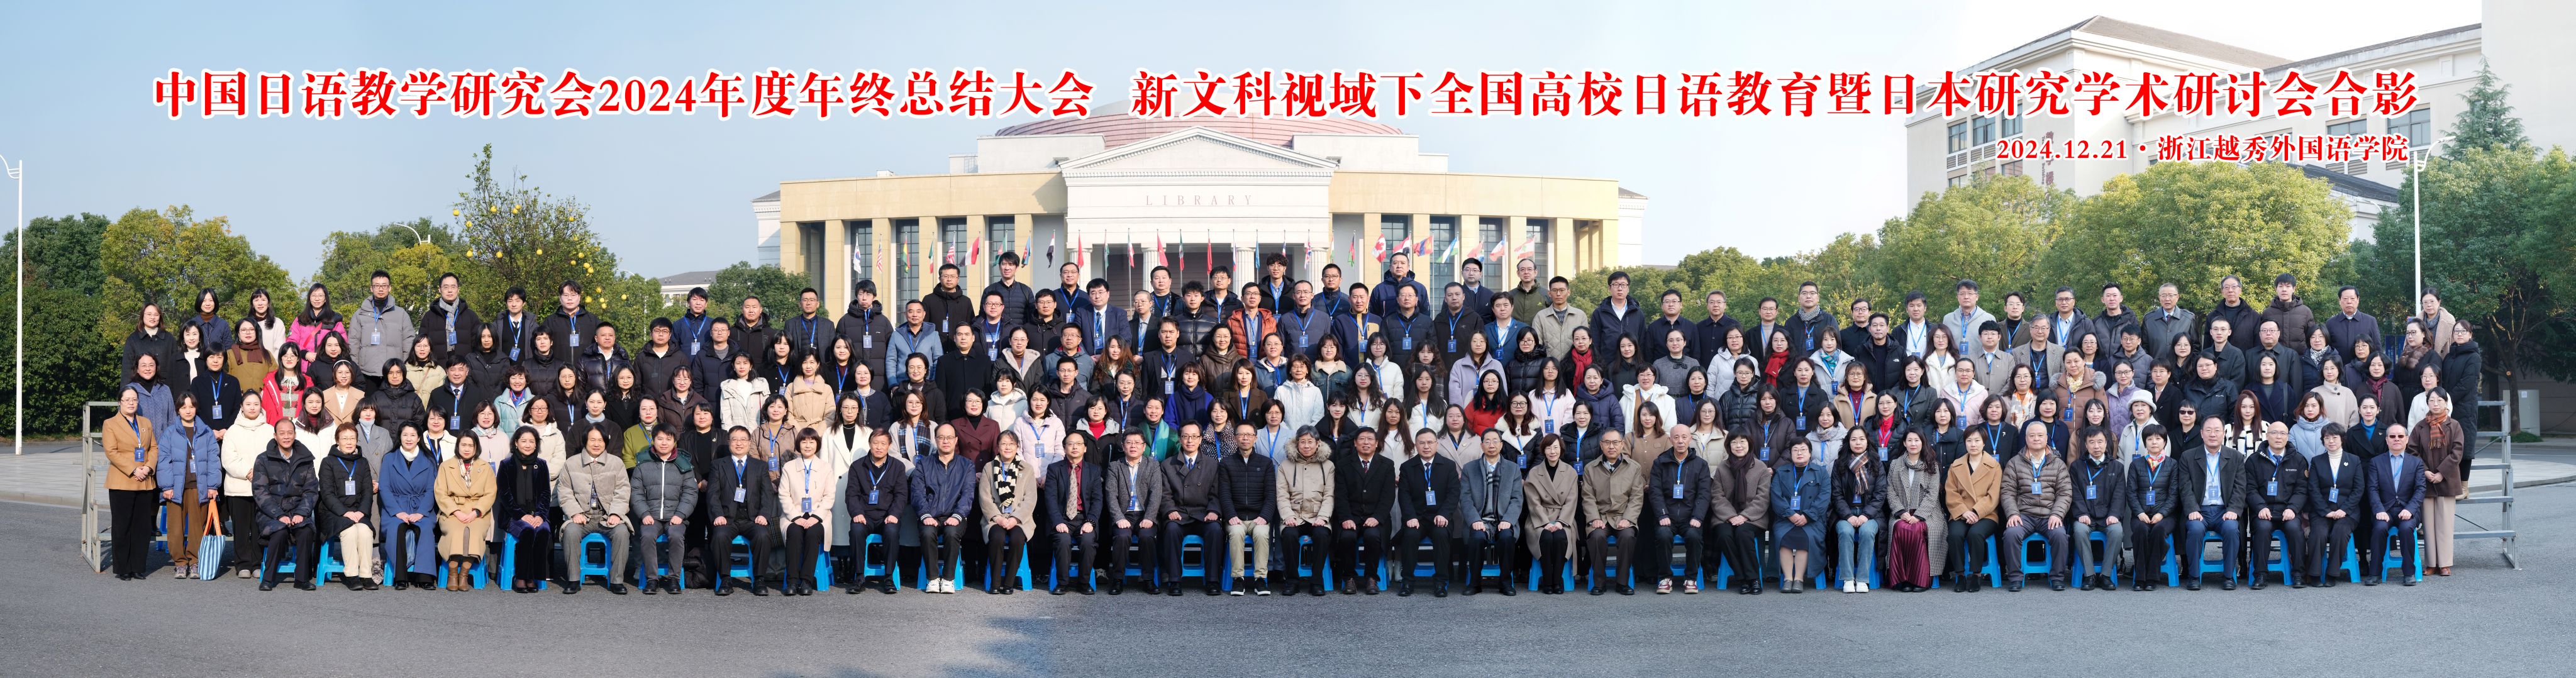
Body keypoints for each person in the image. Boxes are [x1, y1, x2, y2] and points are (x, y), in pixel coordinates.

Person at [553, 427, 632, 594]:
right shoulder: (571, 463)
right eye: (593, 440)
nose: (597, 444)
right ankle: (574, 579)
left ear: (606, 442)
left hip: (607, 516)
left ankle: (617, 580)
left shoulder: (616, 463)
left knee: (622, 532)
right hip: (582, 516)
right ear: (585, 442)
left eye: (601, 441)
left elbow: (623, 491)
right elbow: (564, 491)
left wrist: (616, 513)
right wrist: (575, 512)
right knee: (571, 532)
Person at [154, 394, 221, 579]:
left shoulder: (206, 432)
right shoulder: (170, 433)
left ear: (196, 408)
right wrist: (166, 486)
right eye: (184, 407)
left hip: (200, 487)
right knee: (175, 528)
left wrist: (213, 485)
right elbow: (163, 461)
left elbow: (214, 460)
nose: (188, 411)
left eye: (191, 407)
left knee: (197, 527)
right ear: (178, 410)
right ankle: (180, 563)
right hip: (176, 488)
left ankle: (195, 561)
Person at [1157, 424, 1225, 596]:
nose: (1190, 440)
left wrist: (1214, 511)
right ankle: (1174, 581)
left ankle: (1212, 580)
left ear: (1201, 439)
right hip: (1179, 513)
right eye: (1186, 436)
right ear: (1180, 439)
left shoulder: (1212, 464)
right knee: (1171, 529)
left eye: (1194, 436)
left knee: (1215, 530)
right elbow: (1164, 494)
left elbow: (1217, 493)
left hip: (1203, 514)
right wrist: (1170, 510)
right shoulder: (1167, 464)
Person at [253, 421, 321, 591]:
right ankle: (268, 579)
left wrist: (302, 513)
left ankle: (302, 579)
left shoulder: (305, 459)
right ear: (275, 436)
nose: (286, 437)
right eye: (282, 433)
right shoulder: (263, 459)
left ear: (295, 435)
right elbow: (260, 492)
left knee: (306, 531)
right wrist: (279, 515)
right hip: (271, 513)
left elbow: (311, 490)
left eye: (290, 433)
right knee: (279, 531)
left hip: (297, 510)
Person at [1333, 425, 1398, 596]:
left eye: (1370, 439)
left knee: (1373, 536)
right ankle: (1349, 577)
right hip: (1351, 516)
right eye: (1362, 439)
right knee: (1347, 537)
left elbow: (1388, 496)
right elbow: (1340, 495)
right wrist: (1346, 517)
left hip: (1376, 517)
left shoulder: (1386, 465)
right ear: (1355, 443)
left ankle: (1371, 577)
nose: (1366, 443)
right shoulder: (1344, 465)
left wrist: (1377, 517)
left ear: (1377, 443)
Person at [631, 428, 697, 595]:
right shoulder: (643, 464)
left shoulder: (684, 464)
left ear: (674, 442)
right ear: (653, 440)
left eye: (668, 439)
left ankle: (674, 578)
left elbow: (691, 492)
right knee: (647, 536)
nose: (664, 443)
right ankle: (652, 579)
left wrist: (681, 514)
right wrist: (644, 513)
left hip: (675, 517)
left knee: (676, 536)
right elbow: (636, 492)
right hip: (651, 516)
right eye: (660, 439)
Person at [1576, 430, 1643, 595]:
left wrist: (1628, 519)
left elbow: (1636, 497)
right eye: (1607, 443)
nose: (1611, 447)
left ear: (1622, 444)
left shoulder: (1633, 467)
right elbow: (1588, 497)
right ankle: (1599, 583)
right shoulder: (1591, 468)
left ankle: (1622, 583)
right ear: (1601, 445)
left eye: (1615, 442)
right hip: (1601, 517)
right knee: (1596, 536)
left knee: (1628, 536)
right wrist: (1594, 518)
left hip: (1623, 516)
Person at [2245, 421, 2309, 589]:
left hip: (2288, 510)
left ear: (2288, 437)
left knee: (2295, 530)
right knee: (2263, 529)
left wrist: (2293, 508)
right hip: (2263, 511)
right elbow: (2250, 489)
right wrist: (2260, 507)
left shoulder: (2298, 460)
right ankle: (2260, 574)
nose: (2279, 437)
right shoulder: (2254, 460)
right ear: (2267, 436)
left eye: (2283, 433)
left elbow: (2302, 490)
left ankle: (2299, 574)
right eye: (2274, 433)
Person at [843, 429, 909, 594]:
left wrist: (894, 514)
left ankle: (888, 577)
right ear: (870, 444)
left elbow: (901, 495)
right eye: (875, 443)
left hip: (887, 516)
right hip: (865, 516)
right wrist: (857, 513)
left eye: (883, 444)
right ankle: (859, 577)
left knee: (892, 532)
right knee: (856, 531)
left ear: (889, 446)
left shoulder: (898, 467)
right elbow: (852, 494)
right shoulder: (857, 466)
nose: (879, 447)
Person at [1459, 428, 1524, 596]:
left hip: (1503, 520)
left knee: (1507, 538)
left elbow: (1517, 499)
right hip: (1480, 520)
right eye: (1487, 441)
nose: (1492, 445)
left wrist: (1508, 520)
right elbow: (1465, 499)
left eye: (1496, 441)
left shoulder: (1513, 469)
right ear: (1482, 446)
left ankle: (1505, 583)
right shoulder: (1469, 469)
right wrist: (1475, 520)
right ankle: (1475, 583)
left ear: (1501, 445)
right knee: (1477, 538)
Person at [377, 423, 441, 589]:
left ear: (419, 438)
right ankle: (401, 577)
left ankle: (425, 577)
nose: (409, 439)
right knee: (397, 528)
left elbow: (431, 489)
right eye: (405, 435)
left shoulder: (428, 459)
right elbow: (384, 488)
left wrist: (421, 512)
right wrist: (397, 512)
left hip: (421, 506)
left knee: (425, 528)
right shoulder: (390, 458)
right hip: (396, 507)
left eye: (413, 435)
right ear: (400, 437)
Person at [1880, 430, 1946, 592]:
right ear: (1904, 443)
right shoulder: (1896, 464)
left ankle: (1920, 579)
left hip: (1928, 513)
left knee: (1917, 529)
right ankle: (1902, 579)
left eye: (1917, 440)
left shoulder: (1931, 465)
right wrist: (1901, 512)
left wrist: (1919, 516)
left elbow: (1932, 494)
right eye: (1909, 440)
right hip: (1902, 512)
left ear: (1923, 443)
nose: (1913, 444)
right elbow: (1890, 490)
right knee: (1900, 527)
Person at [1647, 425, 1709, 594]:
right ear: (1670, 440)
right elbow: (1655, 491)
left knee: (1694, 536)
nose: (1680, 441)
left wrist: (1697, 517)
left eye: (1684, 437)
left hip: (1691, 517)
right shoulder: (1660, 463)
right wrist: (1662, 514)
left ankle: (1691, 578)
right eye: (1676, 437)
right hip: (1667, 516)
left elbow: (1704, 494)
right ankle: (1665, 577)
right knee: (1663, 536)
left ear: (1690, 439)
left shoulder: (1701, 465)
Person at [1276, 428, 1338, 596]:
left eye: (1310, 442)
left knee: (1322, 535)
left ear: (1318, 444)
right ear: (1297, 444)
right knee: (1289, 535)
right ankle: (1292, 581)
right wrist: (1288, 516)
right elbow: (1282, 495)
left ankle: (1317, 581)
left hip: (1318, 516)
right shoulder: (1285, 465)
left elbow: (1330, 495)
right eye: (1302, 442)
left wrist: (1323, 517)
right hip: (1294, 516)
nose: (1306, 446)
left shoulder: (1328, 466)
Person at [2065, 426, 2128, 591]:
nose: (2096, 446)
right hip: (2086, 516)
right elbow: (2075, 494)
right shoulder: (2077, 467)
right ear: (2086, 445)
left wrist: (2114, 514)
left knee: (2117, 531)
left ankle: (2106, 575)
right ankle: (2089, 575)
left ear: (2106, 443)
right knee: (2080, 531)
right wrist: (2081, 514)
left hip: (2108, 517)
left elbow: (2120, 495)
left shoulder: (2116, 467)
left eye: (2100, 442)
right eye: (2091, 442)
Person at [1104, 430, 1167, 594]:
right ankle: (1118, 579)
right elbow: (1111, 495)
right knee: (1122, 536)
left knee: (1147, 537)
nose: (1133, 446)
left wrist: (1150, 517)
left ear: (1144, 447)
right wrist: (1118, 518)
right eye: (1129, 443)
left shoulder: (1153, 465)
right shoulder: (1115, 466)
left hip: (1145, 514)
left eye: (1137, 443)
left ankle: (1148, 580)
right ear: (1123, 446)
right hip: (1124, 515)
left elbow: (1156, 493)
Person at [2304, 424, 2365, 588]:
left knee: (2340, 532)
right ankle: (2315, 574)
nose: (2331, 441)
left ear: (2342, 439)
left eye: (2335, 437)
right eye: (2327, 438)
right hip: (2322, 511)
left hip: (2347, 512)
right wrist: (2325, 511)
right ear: (2323, 441)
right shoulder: (2317, 461)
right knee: (2318, 533)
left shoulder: (2354, 460)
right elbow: (2313, 489)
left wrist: (2344, 510)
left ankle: (2332, 573)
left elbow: (2359, 489)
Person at [2410, 392, 2464, 577]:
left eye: (2439, 400)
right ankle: (2431, 563)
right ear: (2427, 404)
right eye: (2432, 400)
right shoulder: (2420, 426)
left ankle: (2445, 564)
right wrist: (2425, 471)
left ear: (2446, 403)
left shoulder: (2454, 425)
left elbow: (2457, 452)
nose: (2435, 403)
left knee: (2445, 524)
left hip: (2447, 480)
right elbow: (2412, 451)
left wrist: (2442, 473)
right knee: (2429, 525)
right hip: (2426, 481)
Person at [431, 436, 496, 591]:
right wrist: (456, 511)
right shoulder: (446, 466)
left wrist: (476, 512)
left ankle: (464, 575)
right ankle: (453, 573)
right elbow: (440, 493)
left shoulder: (485, 467)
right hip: (452, 510)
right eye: (464, 445)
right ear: (458, 446)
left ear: (476, 447)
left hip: (477, 512)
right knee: (456, 530)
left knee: (473, 531)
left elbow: (490, 493)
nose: (467, 449)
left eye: (471, 445)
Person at [1943, 426, 2002, 592]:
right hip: (1961, 512)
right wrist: (1964, 511)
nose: (1973, 444)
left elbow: (1994, 495)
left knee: (1975, 534)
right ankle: (1960, 575)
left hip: (1986, 514)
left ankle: (1976, 575)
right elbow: (1951, 492)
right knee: (1954, 535)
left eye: (1977, 441)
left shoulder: (1994, 466)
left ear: (1984, 443)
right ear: (1965, 443)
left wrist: (1976, 512)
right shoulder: (1956, 466)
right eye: (1969, 441)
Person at [2367, 423, 2426, 586]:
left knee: (2406, 529)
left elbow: (2421, 489)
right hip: (2384, 510)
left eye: (2400, 436)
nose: (2396, 439)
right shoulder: (2376, 462)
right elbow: (2372, 489)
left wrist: (2410, 510)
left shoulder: (2416, 463)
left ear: (2407, 439)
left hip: (2407, 510)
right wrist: (2379, 510)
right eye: (2392, 436)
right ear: (2387, 440)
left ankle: (2409, 573)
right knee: (2379, 529)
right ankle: (2375, 573)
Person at [2126, 425, 2181, 591]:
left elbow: (2174, 494)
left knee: (2158, 530)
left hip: (2166, 516)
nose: (2154, 442)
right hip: (2141, 514)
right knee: (2141, 531)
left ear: (2164, 442)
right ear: (2145, 443)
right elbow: (2131, 492)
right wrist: (2139, 512)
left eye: (2158, 439)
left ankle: (2151, 578)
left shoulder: (2172, 464)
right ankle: (2140, 578)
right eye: (2150, 439)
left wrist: (2162, 514)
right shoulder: (2136, 465)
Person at [1829, 433, 1884, 594]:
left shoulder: (1876, 463)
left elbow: (1880, 494)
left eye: (1861, 439)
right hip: (1845, 514)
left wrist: (1866, 515)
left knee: (1867, 532)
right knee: (1845, 532)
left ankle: (1862, 579)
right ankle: (1847, 579)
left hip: (1871, 514)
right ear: (1848, 442)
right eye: (1854, 440)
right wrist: (1848, 516)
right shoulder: (1839, 464)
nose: (1858, 443)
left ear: (1868, 442)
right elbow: (1836, 495)